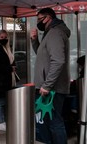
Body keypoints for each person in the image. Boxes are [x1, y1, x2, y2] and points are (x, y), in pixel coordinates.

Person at [30, 7, 70, 144]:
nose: (38, 22)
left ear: (48, 18)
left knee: (54, 123)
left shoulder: (55, 33)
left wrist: (47, 86)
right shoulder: (49, 33)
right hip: (49, 87)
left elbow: (58, 61)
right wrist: (34, 41)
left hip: (52, 89)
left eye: (39, 19)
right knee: (47, 122)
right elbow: (43, 57)